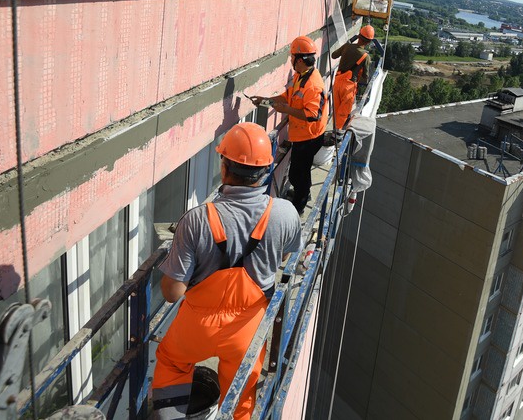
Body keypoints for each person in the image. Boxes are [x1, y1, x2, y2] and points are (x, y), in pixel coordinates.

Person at [152, 122, 302, 420]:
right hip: (248, 327)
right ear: (266, 168)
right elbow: (285, 253)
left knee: (172, 362)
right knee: (241, 394)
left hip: (197, 326)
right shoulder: (285, 212)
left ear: (224, 167)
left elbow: (172, 293)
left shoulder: (196, 220)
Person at [259, 35, 328, 213]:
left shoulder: (312, 85)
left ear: (300, 60)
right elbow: (288, 96)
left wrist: (285, 109)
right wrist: (266, 101)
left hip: (309, 138)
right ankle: (302, 196)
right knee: (300, 172)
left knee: (298, 174)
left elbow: (313, 115)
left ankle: (298, 207)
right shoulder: (302, 76)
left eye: (292, 57)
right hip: (303, 136)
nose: (290, 60)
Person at [330, 24, 383, 131]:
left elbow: (334, 55)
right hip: (349, 87)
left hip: (337, 82)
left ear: (358, 36)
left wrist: (347, 44)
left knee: (336, 110)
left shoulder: (347, 47)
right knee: (343, 113)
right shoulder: (365, 56)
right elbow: (366, 77)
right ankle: (336, 135)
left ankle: (334, 131)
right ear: (369, 42)